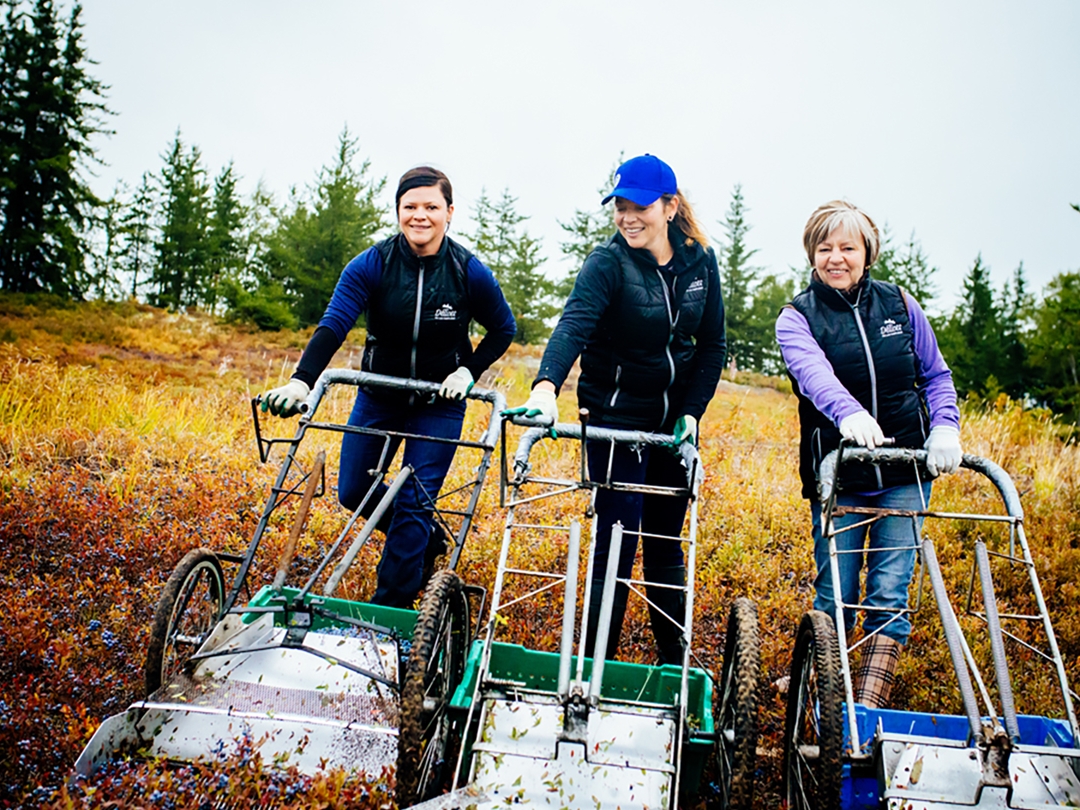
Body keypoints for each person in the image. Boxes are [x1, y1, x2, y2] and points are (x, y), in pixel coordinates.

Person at [260, 166, 516, 608]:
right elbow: (334, 324)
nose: (421, 216)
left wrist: (467, 372)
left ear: (449, 212)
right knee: (353, 492)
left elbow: (503, 328)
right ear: (398, 211)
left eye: (431, 207)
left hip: (439, 403)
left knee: (414, 501)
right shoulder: (373, 264)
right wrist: (301, 381)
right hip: (379, 395)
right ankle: (427, 539)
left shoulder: (467, 271)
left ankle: (388, 613)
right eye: (410, 207)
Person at [507, 154, 725, 665]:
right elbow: (574, 324)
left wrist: (691, 413)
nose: (628, 217)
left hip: (673, 423)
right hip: (614, 417)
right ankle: (595, 667)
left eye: (640, 207)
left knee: (666, 540)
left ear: (670, 207)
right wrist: (545, 388)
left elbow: (712, 345)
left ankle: (673, 667)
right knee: (619, 534)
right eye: (620, 207)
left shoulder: (699, 262)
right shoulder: (607, 264)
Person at [774, 200, 962, 708]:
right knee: (835, 588)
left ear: (867, 252)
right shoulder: (796, 317)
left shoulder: (900, 306)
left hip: (905, 471)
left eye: (847, 247)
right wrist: (848, 414)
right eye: (825, 247)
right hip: (840, 473)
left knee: (889, 591)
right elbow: (814, 375)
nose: (836, 257)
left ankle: (866, 705)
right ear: (812, 254)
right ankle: (820, 680)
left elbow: (936, 375)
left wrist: (944, 428)